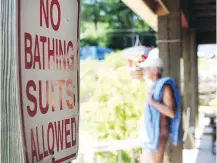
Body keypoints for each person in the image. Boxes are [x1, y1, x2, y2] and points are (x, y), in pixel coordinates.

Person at [138, 55, 182, 163]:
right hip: (150, 135)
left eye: (146, 68)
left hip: (159, 135)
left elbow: (171, 113)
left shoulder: (165, 87)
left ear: (154, 70)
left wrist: (152, 102)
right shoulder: (154, 87)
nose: (143, 70)